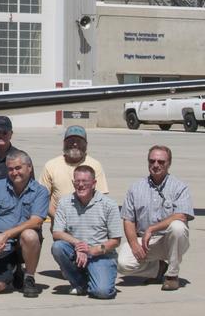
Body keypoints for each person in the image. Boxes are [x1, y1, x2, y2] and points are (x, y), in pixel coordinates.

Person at [118, 145, 194, 291]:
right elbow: (128, 219)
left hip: (171, 240)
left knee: (177, 226)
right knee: (122, 264)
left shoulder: (180, 187)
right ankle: (158, 268)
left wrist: (152, 229)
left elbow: (182, 215)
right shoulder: (135, 188)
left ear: (169, 164)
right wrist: (134, 244)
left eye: (161, 162)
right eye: (152, 161)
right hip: (147, 243)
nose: (156, 165)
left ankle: (172, 276)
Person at [0, 149, 49, 298]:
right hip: (0, 246)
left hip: (23, 245)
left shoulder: (40, 191)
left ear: (29, 168)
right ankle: (14, 272)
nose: (14, 172)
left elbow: (36, 221)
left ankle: (29, 277)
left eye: (18, 168)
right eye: (10, 169)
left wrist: (6, 234)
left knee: (29, 235)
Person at [51, 165, 121, 299]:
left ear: (94, 184)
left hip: (101, 255)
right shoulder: (64, 203)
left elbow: (115, 241)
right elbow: (57, 233)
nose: (81, 185)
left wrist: (92, 250)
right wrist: (79, 245)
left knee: (102, 292)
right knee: (58, 247)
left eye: (85, 182)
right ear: (73, 183)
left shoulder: (109, 205)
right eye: (77, 181)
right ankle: (80, 283)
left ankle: (97, 279)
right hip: (77, 252)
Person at [38, 125, 110, 225]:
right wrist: (59, 219)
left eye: (79, 141)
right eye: (71, 140)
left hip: (89, 224)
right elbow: (43, 199)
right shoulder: (50, 166)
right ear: (64, 143)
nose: (75, 144)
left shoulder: (95, 165)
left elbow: (102, 198)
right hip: (60, 226)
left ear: (86, 144)